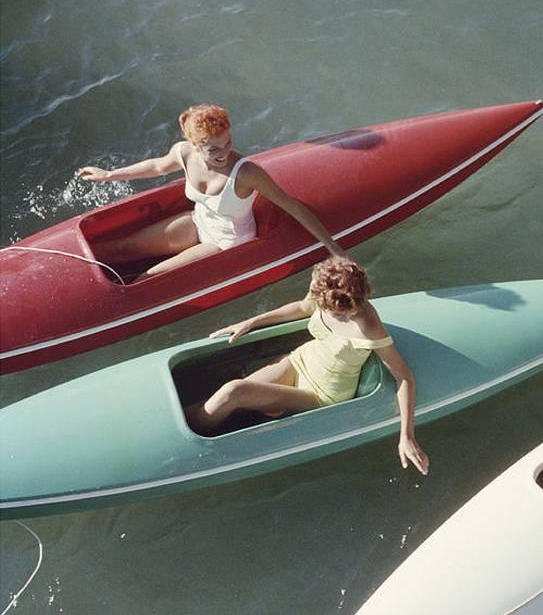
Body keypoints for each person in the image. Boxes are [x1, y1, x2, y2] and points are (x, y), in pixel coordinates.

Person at [184, 256, 429, 474]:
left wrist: (406, 436)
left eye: (351, 312)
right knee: (220, 400)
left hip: (322, 393)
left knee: (233, 391)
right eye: (339, 314)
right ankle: (186, 420)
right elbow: (302, 308)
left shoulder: (368, 325)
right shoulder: (323, 286)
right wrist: (252, 322)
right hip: (299, 360)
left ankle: (184, 445)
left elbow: (404, 377)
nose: (347, 316)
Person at [77, 103, 345, 279]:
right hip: (199, 221)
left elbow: (293, 206)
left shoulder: (246, 172)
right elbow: (157, 166)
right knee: (120, 249)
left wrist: (334, 249)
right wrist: (110, 175)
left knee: (147, 278)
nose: (224, 153)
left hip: (226, 241)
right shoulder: (183, 152)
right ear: (194, 144)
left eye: (227, 143)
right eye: (214, 149)